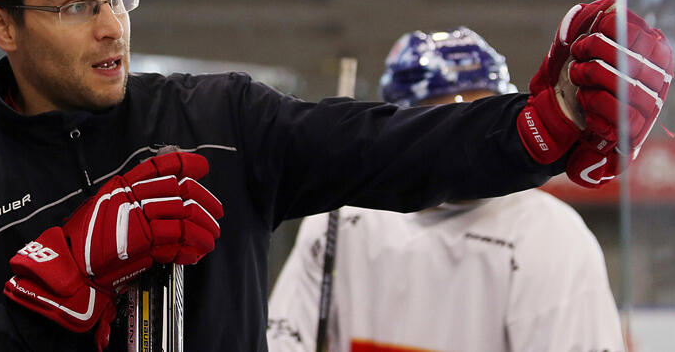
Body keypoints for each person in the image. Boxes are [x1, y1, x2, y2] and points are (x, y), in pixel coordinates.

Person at [0, 0, 671, 351]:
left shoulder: (218, 120)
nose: (112, 25)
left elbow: (390, 147)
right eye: (77, 6)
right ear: (3, 25)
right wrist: (52, 297)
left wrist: (546, 120)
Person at [266, 28, 625, 352]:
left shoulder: (550, 236)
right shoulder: (339, 221)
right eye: (448, 124)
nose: (473, 145)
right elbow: (283, 340)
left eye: (484, 117)